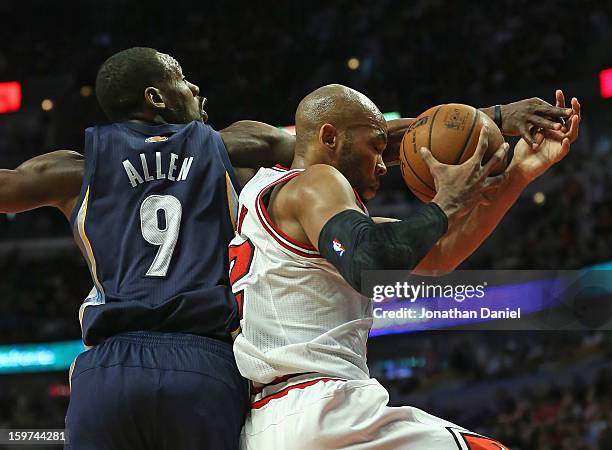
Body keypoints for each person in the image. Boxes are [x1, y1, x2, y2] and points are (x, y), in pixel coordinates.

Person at [0, 45, 573, 448]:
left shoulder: (73, 169)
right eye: (181, 77)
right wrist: (493, 117)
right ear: (156, 95)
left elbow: (5, 189)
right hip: (205, 367)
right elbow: (345, 138)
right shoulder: (228, 147)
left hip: (107, 367)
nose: (195, 86)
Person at [230, 84, 580, 449]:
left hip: (266, 427)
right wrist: (444, 203)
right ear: (329, 137)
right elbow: (370, 265)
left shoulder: (269, 196)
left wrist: (519, 172)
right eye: (376, 148)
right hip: (325, 410)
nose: (384, 164)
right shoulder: (317, 181)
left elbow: (438, 254)